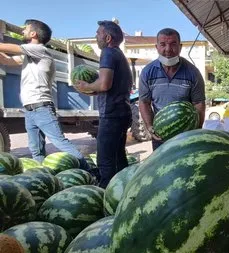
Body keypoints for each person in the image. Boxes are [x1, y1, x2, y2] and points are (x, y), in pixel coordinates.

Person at [0, 19, 90, 171]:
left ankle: (89, 171)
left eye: (26, 29)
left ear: (34, 33)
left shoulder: (40, 50)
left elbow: (10, 48)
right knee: (36, 149)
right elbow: (6, 59)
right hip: (29, 110)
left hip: (42, 108)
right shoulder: (30, 57)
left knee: (59, 142)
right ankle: (44, 175)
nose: (22, 31)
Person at [75, 20, 132, 188]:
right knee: (118, 159)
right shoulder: (119, 55)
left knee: (106, 163)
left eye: (98, 33)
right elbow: (108, 87)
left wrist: (86, 86)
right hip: (122, 113)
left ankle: (106, 198)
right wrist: (92, 89)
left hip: (112, 115)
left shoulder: (107, 53)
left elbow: (104, 84)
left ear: (107, 38)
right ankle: (123, 192)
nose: (95, 36)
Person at [139, 28, 206, 150]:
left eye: (173, 44)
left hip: (184, 136)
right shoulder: (147, 72)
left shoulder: (193, 73)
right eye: (163, 44)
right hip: (160, 133)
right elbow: (144, 102)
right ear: (156, 47)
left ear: (180, 47)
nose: (168, 49)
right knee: (160, 166)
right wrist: (149, 126)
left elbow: (199, 104)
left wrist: (195, 132)